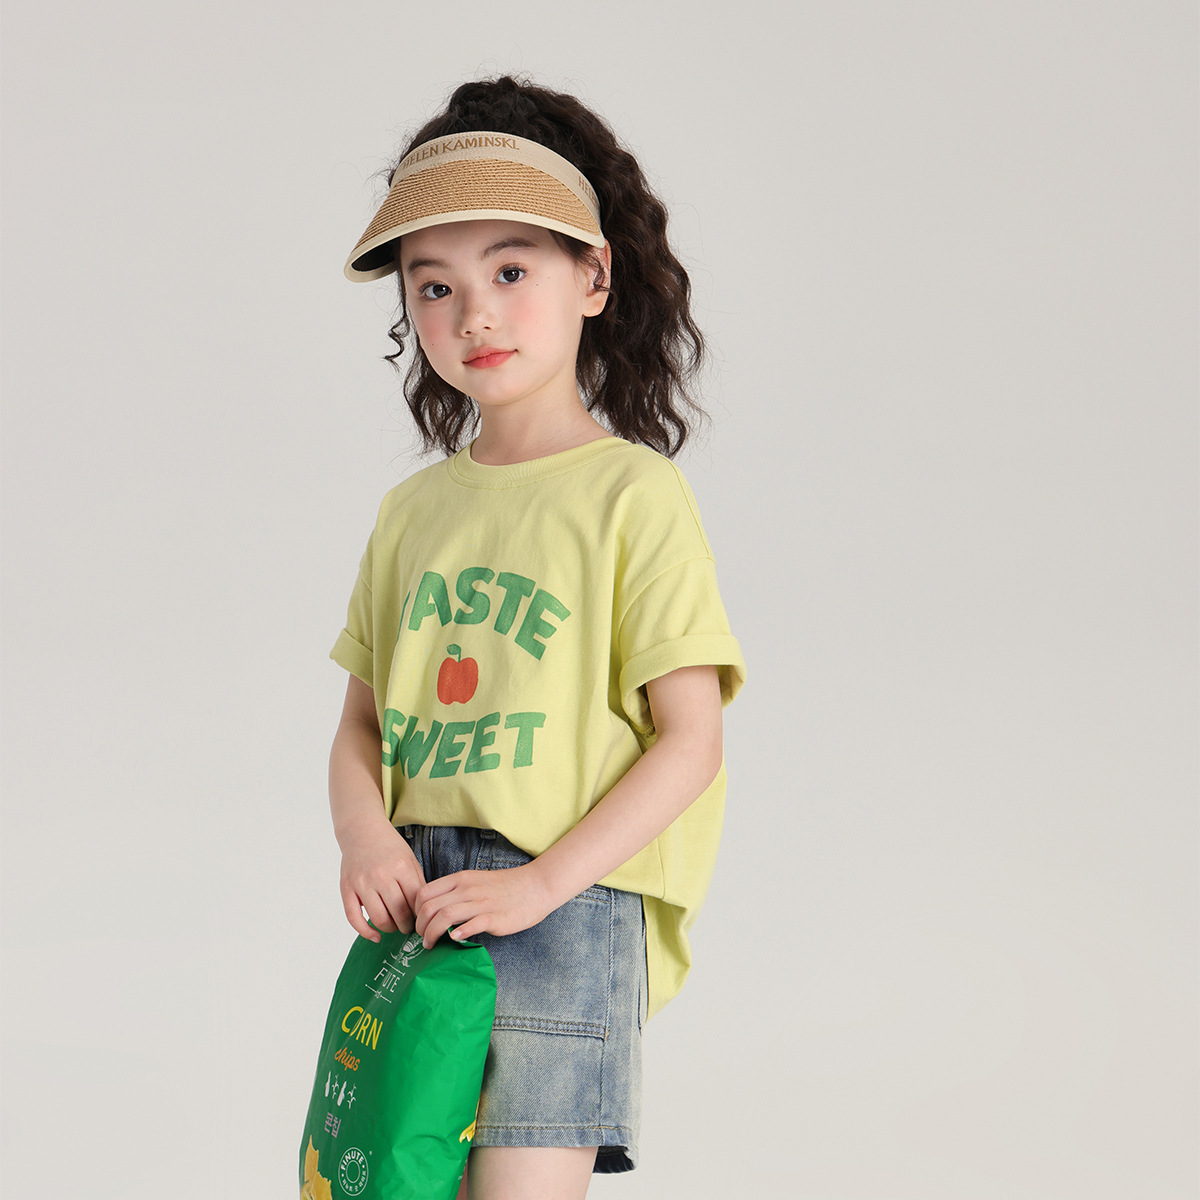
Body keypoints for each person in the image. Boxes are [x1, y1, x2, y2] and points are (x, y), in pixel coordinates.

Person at [327, 76, 746, 1200]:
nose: (475, 314)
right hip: (417, 903)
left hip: (564, 906)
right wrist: (365, 838)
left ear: (593, 276)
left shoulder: (632, 496)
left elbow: (691, 739)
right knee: (382, 1187)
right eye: (435, 285)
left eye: (511, 271)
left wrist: (542, 884)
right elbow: (361, 723)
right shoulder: (412, 514)